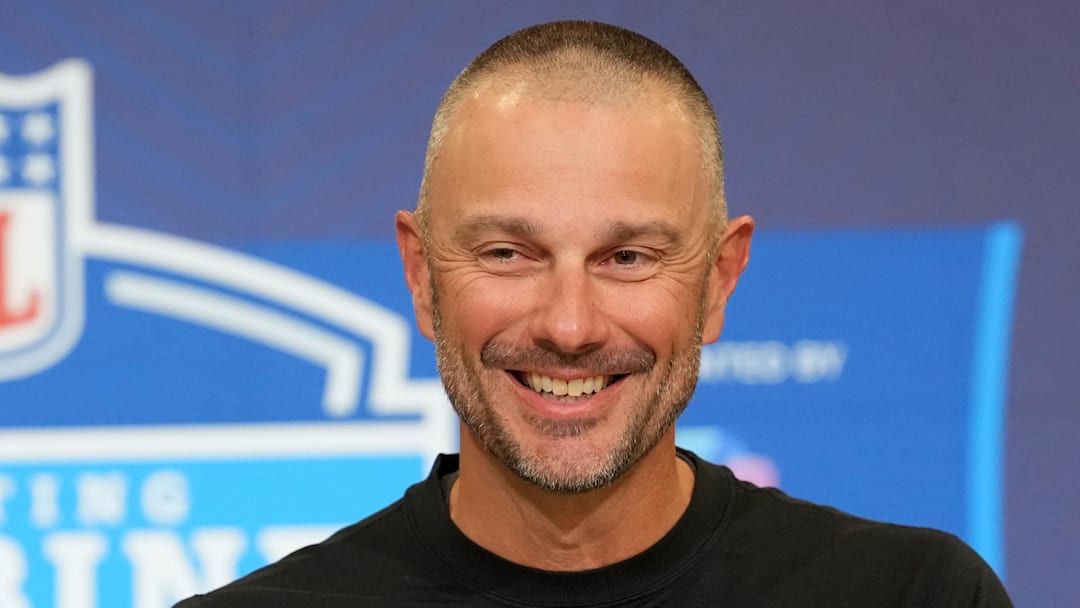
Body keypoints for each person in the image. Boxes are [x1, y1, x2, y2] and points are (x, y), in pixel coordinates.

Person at [177, 20, 1012, 607]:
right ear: (422, 275)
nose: (569, 327)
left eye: (628, 258)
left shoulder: (913, 595)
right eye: (508, 253)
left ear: (719, 280)